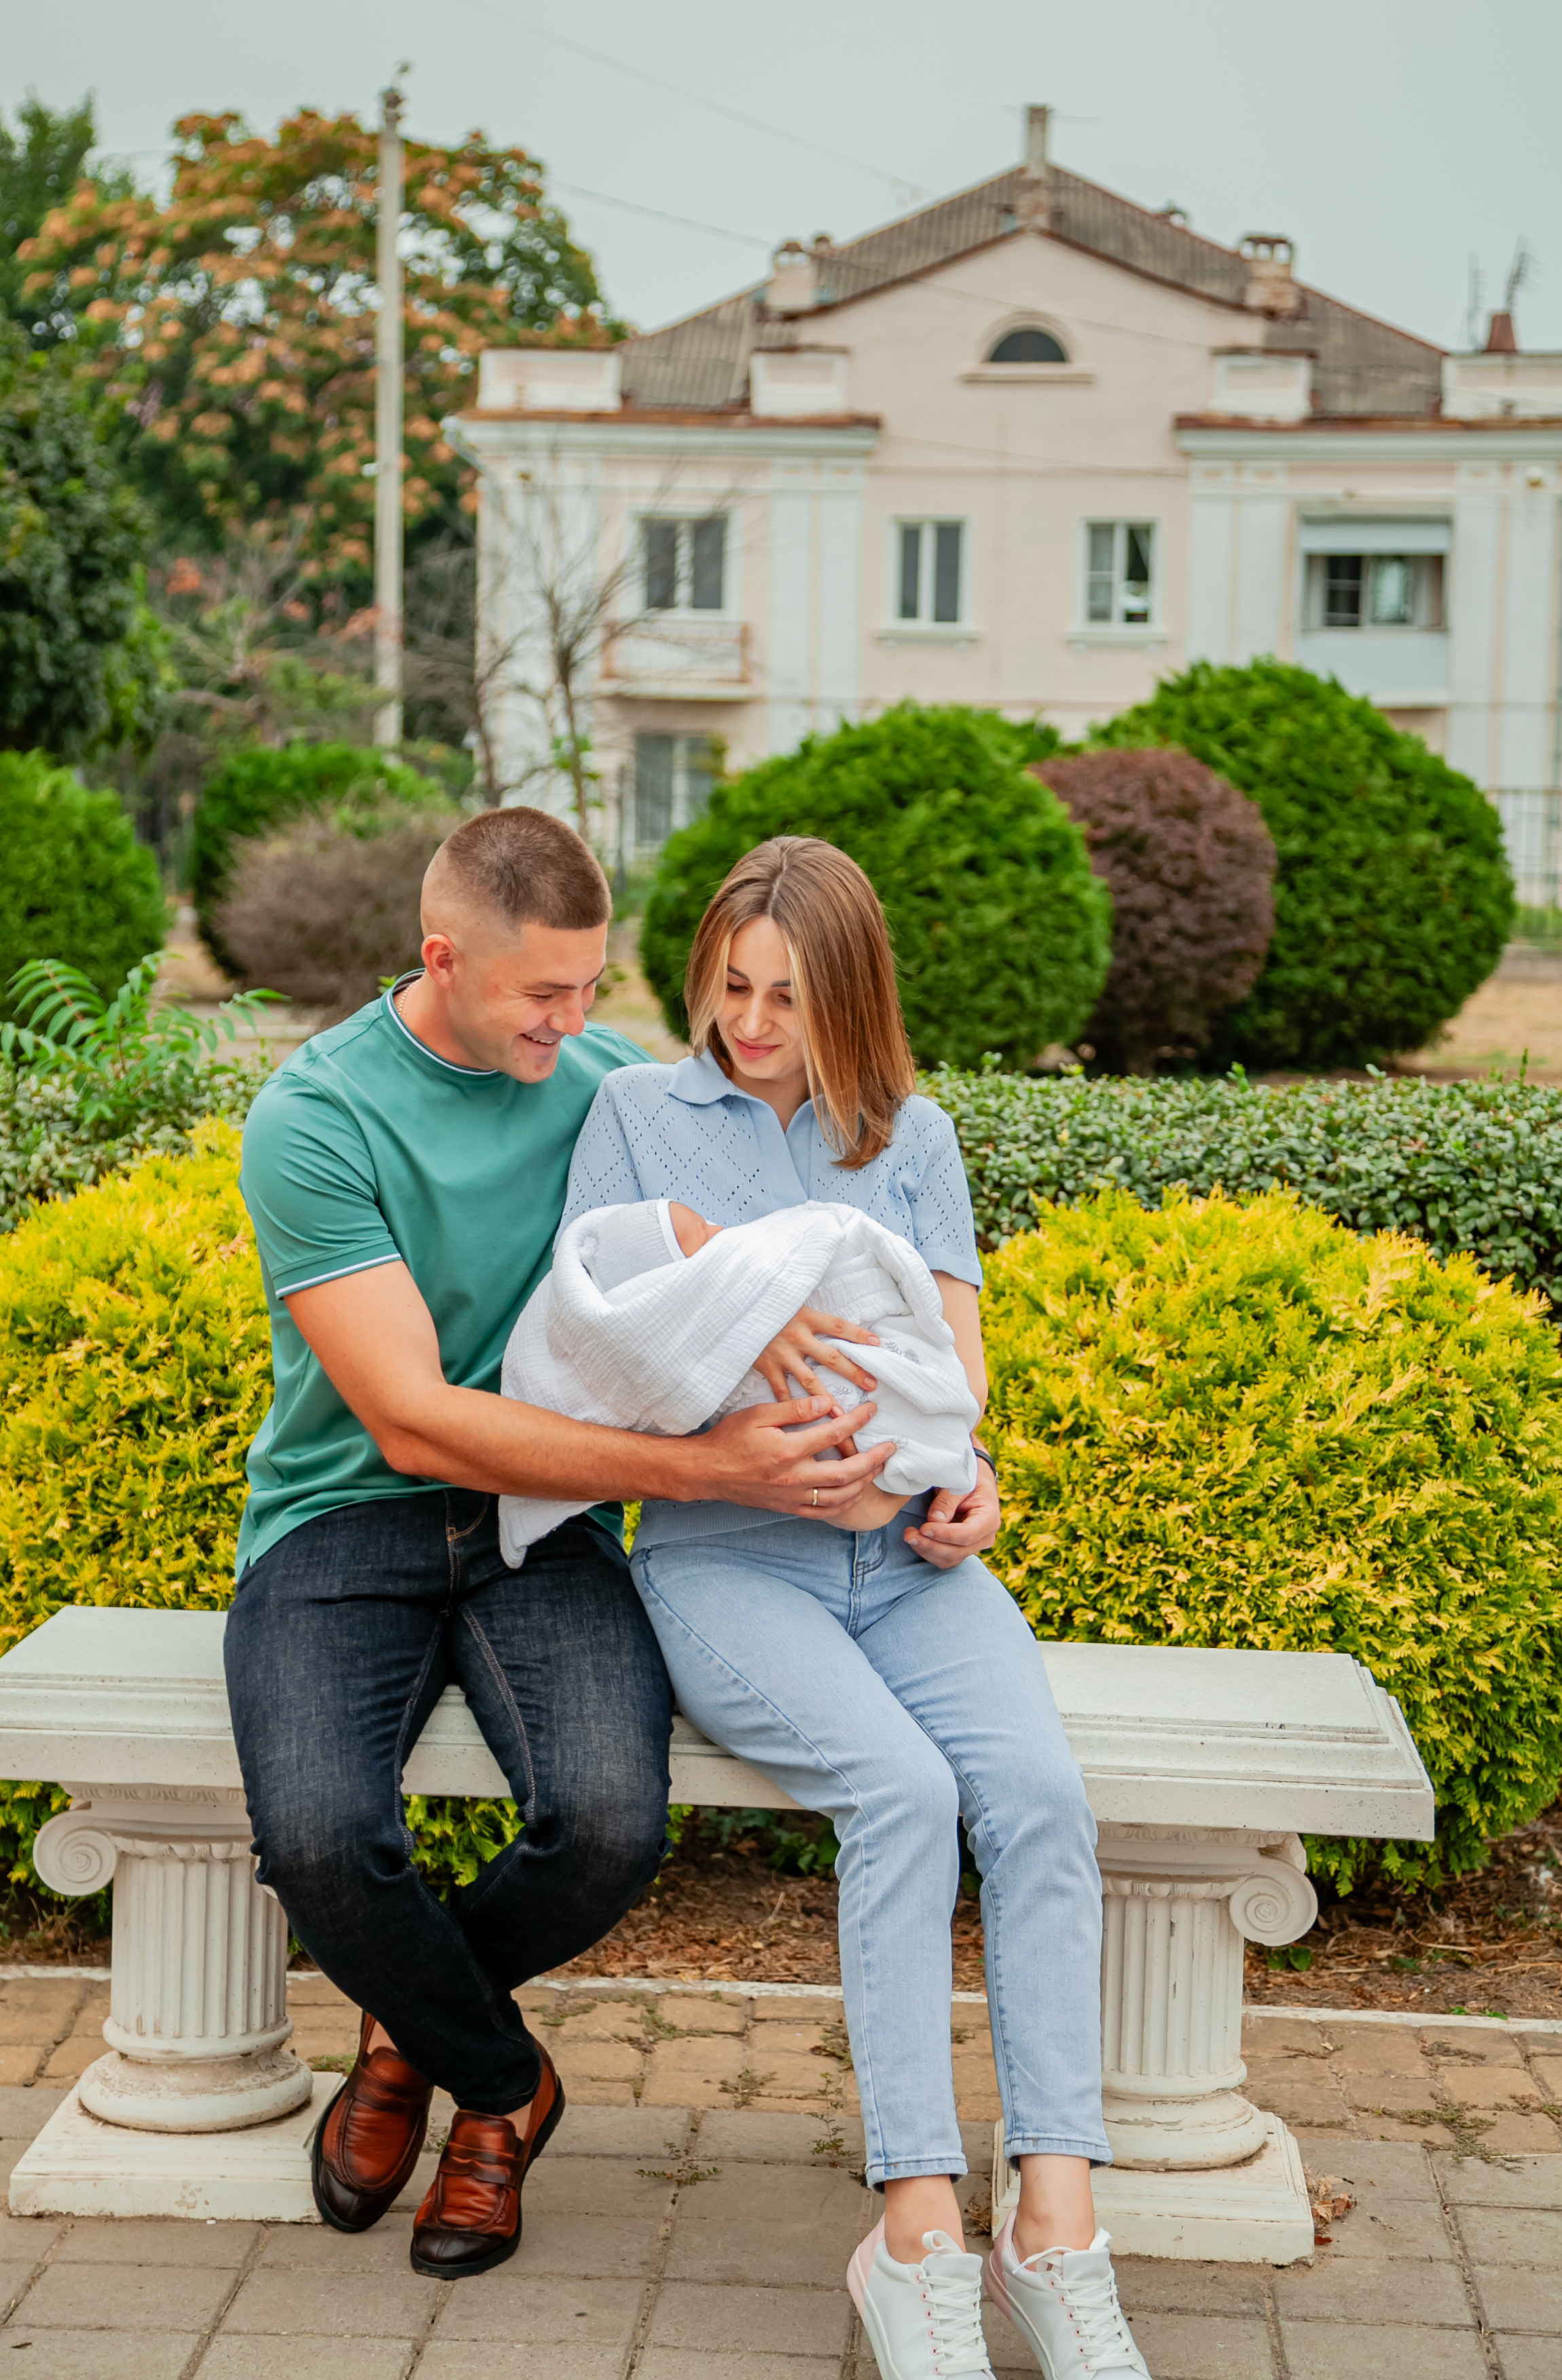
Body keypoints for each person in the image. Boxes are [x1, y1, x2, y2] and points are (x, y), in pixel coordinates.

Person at [225, 807, 896, 2282]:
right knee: (323, 1842)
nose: (576, 1023)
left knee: (607, 1825)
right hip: (346, 1518)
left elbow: (773, 1213)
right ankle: (502, 2085)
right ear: (441, 957)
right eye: (543, 994)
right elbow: (410, 1421)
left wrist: (765, 1298)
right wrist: (702, 1467)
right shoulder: (319, 1115)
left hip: (554, 1526)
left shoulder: (603, 1082)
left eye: (592, 989)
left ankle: (410, 2035)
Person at [560, 837, 1152, 2380]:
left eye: (786, 997)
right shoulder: (632, 1114)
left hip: (910, 1563)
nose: (749, 1021)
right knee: (898, 1792)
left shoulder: (910, 1136)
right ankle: (911, 2237)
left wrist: (977, 1485)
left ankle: (1054, 2228)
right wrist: (743, 1464)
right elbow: (598, 1360)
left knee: (1032, 1796)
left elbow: (953, 1378)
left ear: (851, 1000)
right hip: (720, 1561)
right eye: (730, 984)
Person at [493, 1192, 979, 1561]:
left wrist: (977, 1465)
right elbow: (632, 1341)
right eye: (703, 1239)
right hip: (721, 1548)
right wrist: (746, 1320)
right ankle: (902, 1462)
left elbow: (845, 1243)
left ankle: (916, 1455)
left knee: (886, 1383)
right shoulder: (629, 1102)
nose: (722, 1233)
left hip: (907, 1551)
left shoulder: (922, 1129)